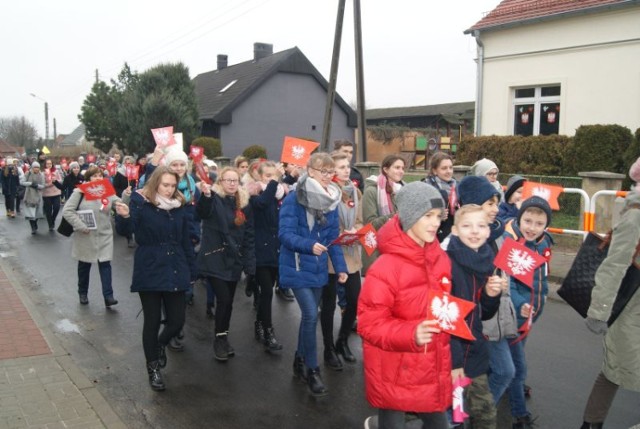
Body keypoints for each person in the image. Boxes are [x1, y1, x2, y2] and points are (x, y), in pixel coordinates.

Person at [358, 181, 453, 429]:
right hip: (395, 368)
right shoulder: (385, 268)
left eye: (439, 216)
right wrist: (410, 333)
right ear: (410, 216)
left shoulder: (440, 258)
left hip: (430, 366)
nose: (435, 223)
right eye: (427, 216)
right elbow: (369, 325)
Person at [120, 166, 196, 391]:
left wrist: (192, 270)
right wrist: (124, 217)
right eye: (165, 185)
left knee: (177, 321)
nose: (170, 189)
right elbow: (128, 228)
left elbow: (185, 240)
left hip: (176, 266)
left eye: (173, 185)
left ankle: (160, 346)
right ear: (155, 184)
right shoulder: (142, 204)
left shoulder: (180, 207)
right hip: (150, 266)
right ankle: (152, 367)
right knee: (152, 322)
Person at [279, 152, 348, 397]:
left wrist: (340, 268)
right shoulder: (294, 199)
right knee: (310, 314)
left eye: (331, 172)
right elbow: (284, 235)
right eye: (323, 171)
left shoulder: (331, 200)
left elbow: (332, 239)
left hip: (318, 269)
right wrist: (308, 245)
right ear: (310, 171)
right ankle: (312, 370)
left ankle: (299, 359)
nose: (328, 176)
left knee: (308, 319)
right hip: (296, 266)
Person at [580, 158, 640, 429]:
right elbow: (615, 264)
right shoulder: (637, 214)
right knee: (613, 370)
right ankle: (591, 424)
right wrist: (599, 311)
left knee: (613, 371)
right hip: (631, 310)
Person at [446, 204, 504, 429]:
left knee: (485, 414)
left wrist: (491, 296)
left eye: (481, 226)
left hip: (476, 351)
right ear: (455, 230)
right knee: (454, 415)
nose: (474, 231)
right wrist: (455, 362)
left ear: (489, 231)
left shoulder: (486, 261)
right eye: (467, 225)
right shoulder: (447, 263)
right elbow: (445, 319)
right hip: (454, 356)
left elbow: (485, 314)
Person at [503, 196, 553, 429]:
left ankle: (508, 389)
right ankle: (518, 414)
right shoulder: (511, 242)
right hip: (513, 315)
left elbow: (542, 278)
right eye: (528, 220)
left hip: (530, 314)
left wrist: (537, 305)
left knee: (512, 365)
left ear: (546, 225)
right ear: (519, 217)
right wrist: (520, 302)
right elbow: (508, 283)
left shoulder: (544, 242)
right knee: (517, 367)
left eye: (539, 223)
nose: (532, 227)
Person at [197, 167, 255, 362]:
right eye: (228, 180)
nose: (231, 183)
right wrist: (205, 196)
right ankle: (219, 340)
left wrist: (250, 265)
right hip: (215, 257)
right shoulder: (213, 198)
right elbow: (202, 213)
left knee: (228, 301)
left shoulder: (244, 203)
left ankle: (223, 335)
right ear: (220, 182)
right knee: (224, 299)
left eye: (235, 180)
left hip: (234, 260)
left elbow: (248, 235)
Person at [62, 166, 128, 307]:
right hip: (86, 235)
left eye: (100, 176)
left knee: (105, 264)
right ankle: (83, 292)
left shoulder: (106, 189)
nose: (98, 178)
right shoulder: (79, 192)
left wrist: (126, 196)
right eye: (94, 176)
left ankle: (108, 296)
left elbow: (117, 202)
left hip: (104, 234)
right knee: (84, 266)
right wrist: (81, 226)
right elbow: (67, 211)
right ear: (88, 178)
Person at [320, 152, 363, 371]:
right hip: (330, 254)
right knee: (328, 305)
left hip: (351, 254)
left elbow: (360, 219)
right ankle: (328, 348)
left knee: (354, 301)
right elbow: (321, 224)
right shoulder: (326, 193)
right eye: (341, 167)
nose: (346, 170)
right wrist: (340, 232)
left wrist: (355, 229)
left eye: (348, 166)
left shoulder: (354, 192)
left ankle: (342, 340)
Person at [249, 160, 286, 352]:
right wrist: (275, 181)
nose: (272, 179)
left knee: (267, 290)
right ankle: (269, 331)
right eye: (267, 176)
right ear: (259, 177)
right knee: (267, 292)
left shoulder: (281, 195)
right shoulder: (255, 194)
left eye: (274, 175)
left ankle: (259, 323)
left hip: (276, 250)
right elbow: (262, 203)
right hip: (261, 251)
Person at [361, 154, 405, 274]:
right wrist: (394, 216)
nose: (401, 171)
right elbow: (369, 225)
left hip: (395, 250)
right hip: (376, 252)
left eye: (402, 168)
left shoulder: (400, 190)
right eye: (397, 167)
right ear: (386, 169)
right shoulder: (372, 191)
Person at [423, 152, 457, 243]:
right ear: (434, 170)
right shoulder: (427, 188)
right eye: (444, 168)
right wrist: (437, 216)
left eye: (450, 167)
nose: (449, 171)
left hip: (454, 235)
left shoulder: (456, 186)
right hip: (435, 238)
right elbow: (420, 215)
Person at [20, 161, 45, 234]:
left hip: (38, 195)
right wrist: (30, 184)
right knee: (30, 213)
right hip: (29, 195)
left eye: (38, 167)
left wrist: (37, 186)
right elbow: (22, 182)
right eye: (35, 167)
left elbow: (43, 185)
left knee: (37, 212)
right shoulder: (28, 173)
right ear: (32, 167)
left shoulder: (41, 175)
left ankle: (35, 223)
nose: (36, 169)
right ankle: (33, 227)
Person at [42, 159, 63, 231]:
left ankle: (53, 219)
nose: (49, 165)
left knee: (57, 207)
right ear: (45, 165)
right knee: (48, 210)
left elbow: (60, 180)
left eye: (50, 164)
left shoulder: (56, 171)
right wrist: (49, 184)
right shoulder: (42, 173)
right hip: (47, 193)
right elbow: (42, 183)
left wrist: (55, 180)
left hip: (56, 192)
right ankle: (50, 224)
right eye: (47, 164)